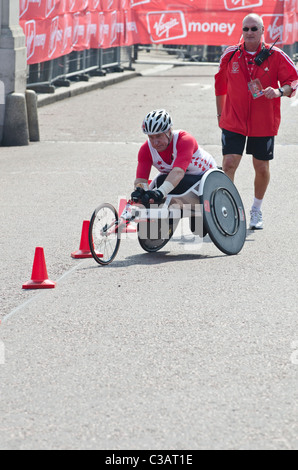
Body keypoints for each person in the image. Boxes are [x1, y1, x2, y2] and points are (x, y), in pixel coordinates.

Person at [215, 13, 298, 229]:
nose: (249, 32)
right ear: (242, 31)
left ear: (262, 31)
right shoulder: (230, 54)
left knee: (260, 166)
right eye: (246, 29)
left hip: (263, 122)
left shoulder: (276, 55)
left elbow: (294, 79)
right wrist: (219, 115)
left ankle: (256, 210)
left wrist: (280, 91)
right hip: (234, 119)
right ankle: (230, 209)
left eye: (254, 29)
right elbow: (220, 86)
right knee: (229, 163)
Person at [131, 109, 217, 211]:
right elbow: (141, 180)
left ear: (169, 131)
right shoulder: (146, 149)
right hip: (180, 184)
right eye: (151, 137)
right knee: (156, 188)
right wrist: (140, 191)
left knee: (198, 226)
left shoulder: (185, 140)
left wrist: (159, 193)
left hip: (206, 181)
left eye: (158, 135)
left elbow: (178, 172)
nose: (155, 142)